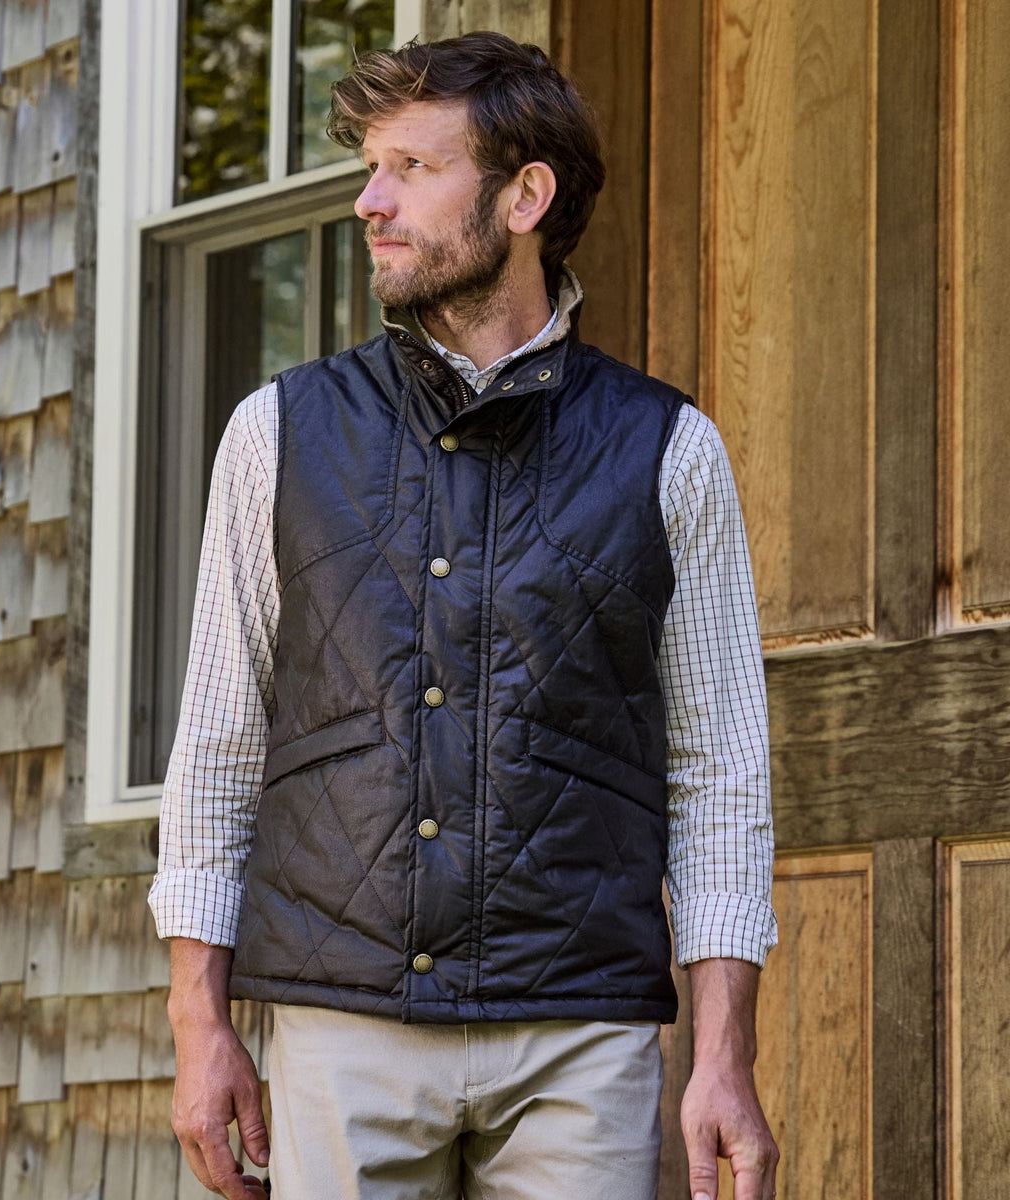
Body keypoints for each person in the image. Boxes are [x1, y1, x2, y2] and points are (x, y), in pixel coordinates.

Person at [148, 30, 779, 1200]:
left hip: (579, 1041)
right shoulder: (276, 435)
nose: (368, 202)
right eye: (368, 167)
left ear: (526, 195)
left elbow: (724, 776)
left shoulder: (671, 451)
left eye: (411, 168)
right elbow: (219, 754)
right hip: (342, 1030)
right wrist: (201, 1024)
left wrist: (723, 1054)